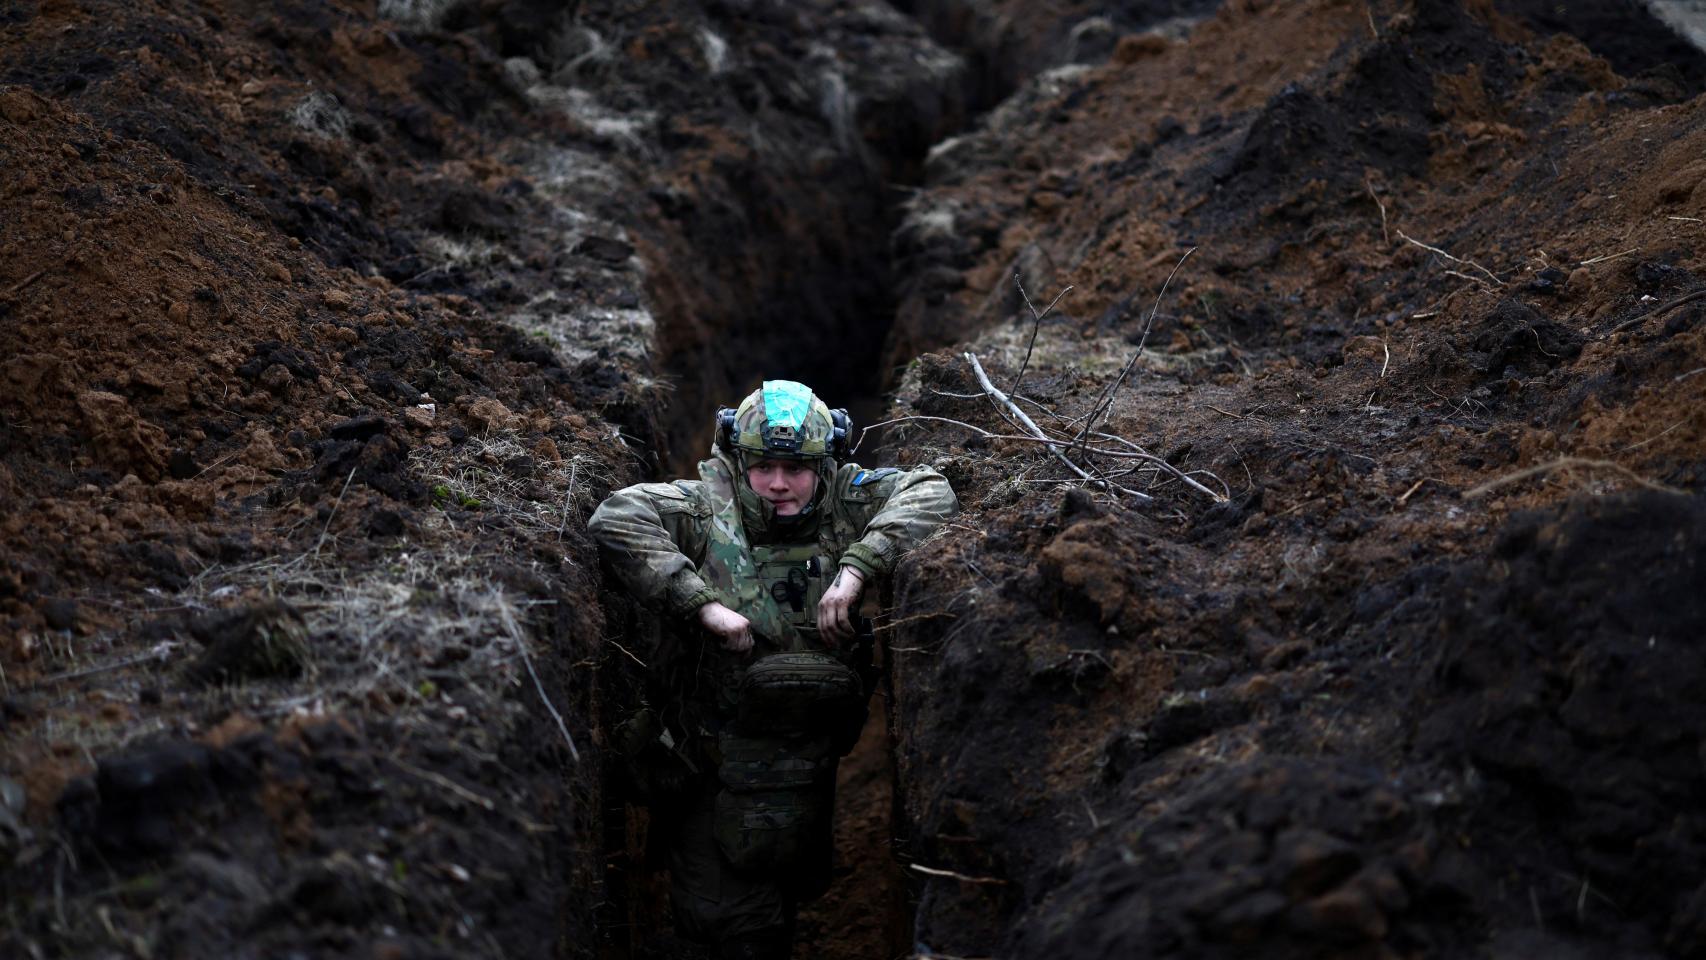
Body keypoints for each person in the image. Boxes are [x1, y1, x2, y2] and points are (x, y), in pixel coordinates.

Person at [588, 379, 958, 959]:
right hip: (710, 759)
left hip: (806, 757)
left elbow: (932, 492)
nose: (780, 484)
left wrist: (859, 566)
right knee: (727, 924)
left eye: (796, 468)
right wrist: (701, 604)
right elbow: (616, 516)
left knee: (786, 886)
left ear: (824, 462)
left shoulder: (845, 499)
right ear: (739, 460)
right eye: (763, 467)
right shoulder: (702, 508)